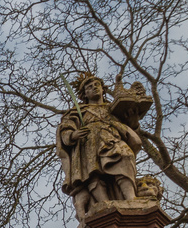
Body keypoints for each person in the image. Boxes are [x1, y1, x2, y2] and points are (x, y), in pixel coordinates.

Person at [57, 74, 144, 218]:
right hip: (89, 143)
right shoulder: (78, 111)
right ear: (85, 94)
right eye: (89, 87)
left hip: (112, 138)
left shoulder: (113, 108)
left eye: (97, 85)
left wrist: (134, 120)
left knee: (126, 156)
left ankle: (130, 197)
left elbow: (132, 129)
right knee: (93, 172)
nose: (94, 88)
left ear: (103, 89)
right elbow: (65, 129)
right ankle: (104, 203)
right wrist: (73, 135)